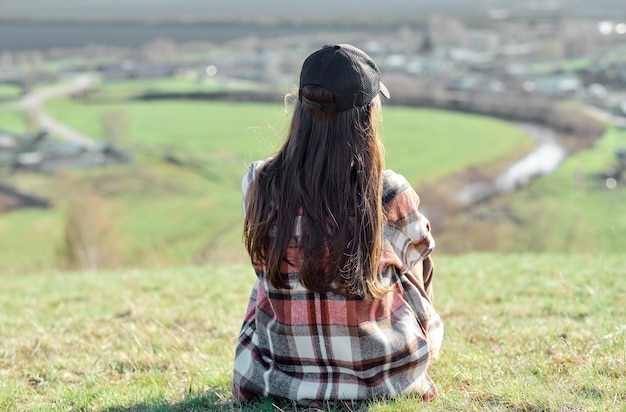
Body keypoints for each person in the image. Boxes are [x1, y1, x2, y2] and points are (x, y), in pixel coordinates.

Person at [232, 44, 443, 407]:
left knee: (272, 271)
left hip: (280, 379)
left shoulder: (259, 182)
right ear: (367, 116)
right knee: (408, 265)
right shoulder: (390, 192)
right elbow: (419, 258)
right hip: (386, 378)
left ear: (299, 109)